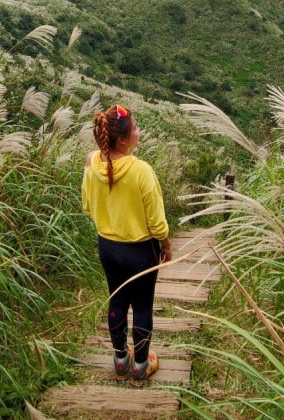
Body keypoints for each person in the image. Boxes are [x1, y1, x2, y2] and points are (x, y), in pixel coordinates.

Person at [82, 104, 172, 388]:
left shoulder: (91, 163)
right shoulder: (141, 171)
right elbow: (156, 221)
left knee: (117, 300)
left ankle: (121, 360)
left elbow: (87, 207)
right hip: (140, 251)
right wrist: (166, 245)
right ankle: (141, 367)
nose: (139, 132)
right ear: (123, 139)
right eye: (135, 128)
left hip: (107, 247)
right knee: (142, 306)